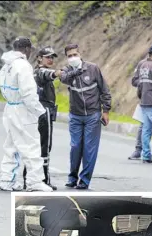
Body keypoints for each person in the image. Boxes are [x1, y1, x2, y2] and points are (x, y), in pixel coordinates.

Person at [0, 36, 53, 192]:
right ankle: (34, 182)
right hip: (22, 109)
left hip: (10, 107)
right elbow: (28, 92)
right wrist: (39, 111)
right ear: (27, 49)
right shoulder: (23, 66)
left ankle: (7, 179)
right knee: (31, 145)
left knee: (11, 145)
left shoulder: (7, 65)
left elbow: (3, 88)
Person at [59, 43, 112, 189]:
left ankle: (84, 180)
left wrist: (106, 110)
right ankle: (72, 177)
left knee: (89, 148)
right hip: (75, 116)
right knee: (75, 146)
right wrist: (76, 71)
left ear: (80, 54)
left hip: (93, 115)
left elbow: (104, 90)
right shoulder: (67, 71)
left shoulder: (93, 68)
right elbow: (63, 78)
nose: (73, 58)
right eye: (70, 56)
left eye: (75, 55)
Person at [21, 46, 61, 191]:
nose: (50, 60)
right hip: (44, 112)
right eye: (47, 57)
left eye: (52, 57)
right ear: (39, 58)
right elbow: (48, 74)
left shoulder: (35, 72)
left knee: (35, 146)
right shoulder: (40, 72)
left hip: (38, 111)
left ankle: (29, 178)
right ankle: (42, 180)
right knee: (45, 147)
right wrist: (60, 73)